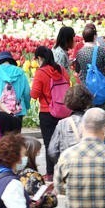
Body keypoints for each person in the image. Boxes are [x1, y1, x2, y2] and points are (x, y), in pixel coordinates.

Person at [30, 45, 70, 178]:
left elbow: (35, 94)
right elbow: (68, 86)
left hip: (47, 112)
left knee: (49, 144)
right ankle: (65, 170)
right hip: (63, 111)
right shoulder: (62, 70)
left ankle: (51, 173)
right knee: (63, 142)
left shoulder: (41, 73)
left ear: (40, 58)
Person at [73, 24, 105, 111]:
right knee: (104, 114)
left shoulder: (80, 53)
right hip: (100, 86)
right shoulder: (101, 50)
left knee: (90, 115)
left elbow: (77, 70)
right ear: (95, 36)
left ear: (83, 38)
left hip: (86, 88)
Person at [0, 51, 31, 118]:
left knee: (0, 128)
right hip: (18, 111)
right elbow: (27, 92)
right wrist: (27, 106)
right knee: (16, 128)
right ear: (11, 61)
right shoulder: (20, 73)